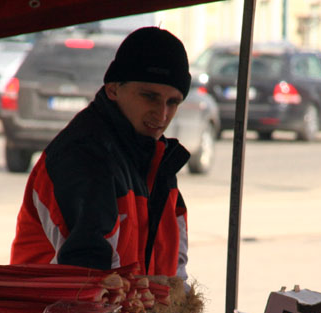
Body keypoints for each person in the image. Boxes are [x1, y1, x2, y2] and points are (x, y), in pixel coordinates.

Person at [10, 26, 191, 279]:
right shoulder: (84, 157)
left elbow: (174, 275)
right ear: (113, 89)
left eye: (173, 102)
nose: (162, 115)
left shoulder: (157, 161)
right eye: (149, 97)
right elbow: (90, 283)